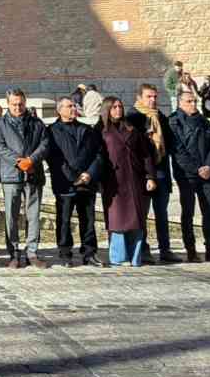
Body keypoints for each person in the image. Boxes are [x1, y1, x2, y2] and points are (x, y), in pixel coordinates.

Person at [0, 88, 51, 269]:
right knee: (11, 216)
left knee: (33, 215)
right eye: (14, 104)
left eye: (21, 104)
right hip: (11, 174)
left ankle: (32, 252)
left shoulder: (36, 122)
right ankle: (14, 253)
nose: (18, 107)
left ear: (25, 103)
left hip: (33, 173)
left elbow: (45, 143)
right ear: (7, 104)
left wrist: (31, 160)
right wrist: (19, 161)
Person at [99, 96, 157, 267]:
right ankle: (118, 257)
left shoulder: (132, 129)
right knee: (117, 220)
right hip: (113, 181)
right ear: (107, 110)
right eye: (114, 107)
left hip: (134, 179)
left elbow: (145, 155)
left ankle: (135, 257)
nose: (118, 109)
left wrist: (150, 176)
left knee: (136, 219)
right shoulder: (100, 130)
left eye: (120, 106)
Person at [46, 97, 104, 268]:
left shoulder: (87, 129)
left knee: (89, 219)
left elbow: (99, 154)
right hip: (65, 182)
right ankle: (65, 253)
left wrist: (89, 173)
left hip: (87, 182)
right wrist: (73, 177)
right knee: (64, 220)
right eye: (69, 106)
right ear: (59, 110)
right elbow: (54, 158)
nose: (73, 108)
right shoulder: (52, 131)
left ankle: (89, 253)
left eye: (74, 106)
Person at [126, 84, 180, 263]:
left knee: (161, 213)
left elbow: (170, 142)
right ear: (139, 97)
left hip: (161, 169)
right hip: (143, 172)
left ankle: (165, 249)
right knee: (142, 213)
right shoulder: (132, 117)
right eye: (149, 96)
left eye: (155, 96)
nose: (153, 100)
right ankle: (143, 249)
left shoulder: (160, 116)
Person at [169, 91, 210, 262]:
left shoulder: (203, 121)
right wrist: (197, 169)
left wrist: (209, 166)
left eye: (195, 101)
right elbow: (178, 151)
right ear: (180, 103)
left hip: (207, 173)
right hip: (187, 175)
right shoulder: (174, 121)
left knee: (209, 212)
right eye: (189, 101)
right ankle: (191, 250)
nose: (193, 104)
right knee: (188, 212)